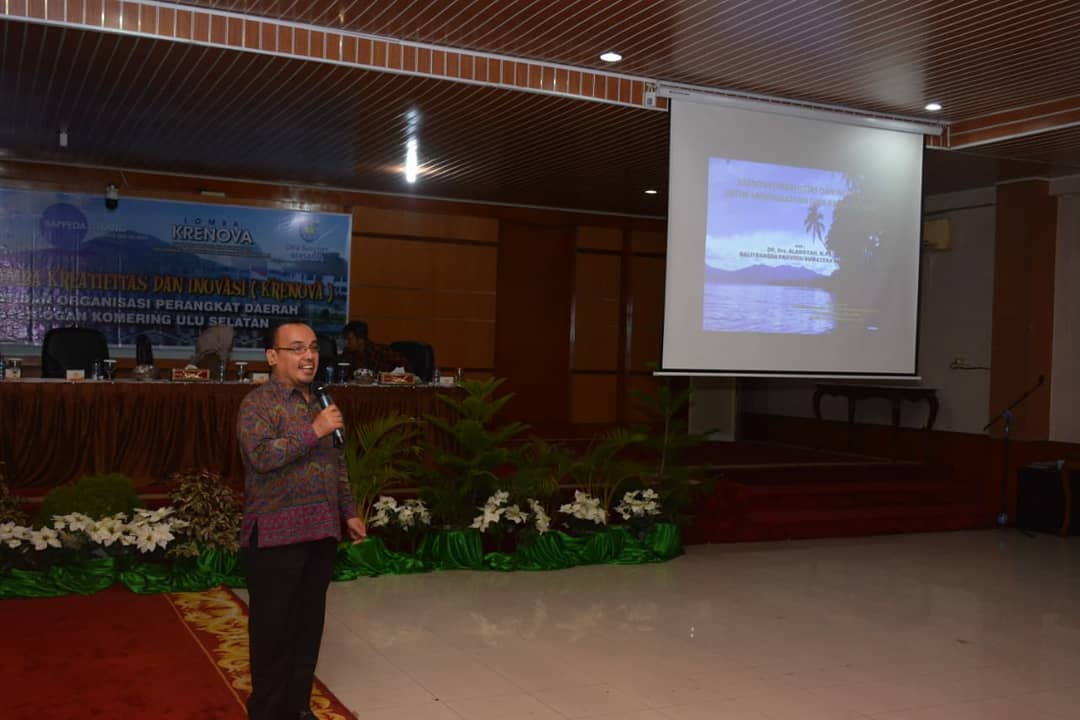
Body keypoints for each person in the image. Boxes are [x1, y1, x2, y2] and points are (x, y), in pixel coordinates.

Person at [237, 321, 366, 720]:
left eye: (312, 348)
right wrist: (315, 430)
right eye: (296, 349)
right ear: (272, 356)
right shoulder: (257, 404)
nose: (308, 356)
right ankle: (267, 712)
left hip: (320, 533)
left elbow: (335, 463)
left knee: (307, 631)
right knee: (272, 636)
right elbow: (261, 457)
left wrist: (348, 511)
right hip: (274, 539)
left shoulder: (321, 402)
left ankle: (298, 708)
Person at [339, 320, 409, 373]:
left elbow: (405, 364)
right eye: (345, 339)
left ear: (361, 340)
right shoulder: (347, 353)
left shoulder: (380, 350)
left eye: (349, 339)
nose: (346, 343)